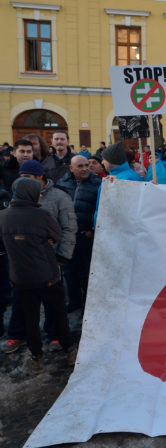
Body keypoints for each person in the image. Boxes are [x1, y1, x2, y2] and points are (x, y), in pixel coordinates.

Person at [0, 178, 77, 374]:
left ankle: (36, 358)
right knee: (59, 314)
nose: (41, 194)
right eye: (38, 191)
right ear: (31, 193)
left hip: (20, 278)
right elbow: (57, 234)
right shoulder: (41, 215)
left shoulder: (3, 216)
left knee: (30, 318)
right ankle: (69, 350)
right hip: (47, 275)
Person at [57, 155, 102, 312]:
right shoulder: (62, 183)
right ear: (71, 168)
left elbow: (101, 208)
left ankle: (88, 305)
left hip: (86, 236)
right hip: (67, 236)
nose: (84, 169)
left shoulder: (97, 183)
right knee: (69, 272)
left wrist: (92, 228)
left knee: (87, 272)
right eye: (80, 166)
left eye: (86, 165)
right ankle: (74, 301)